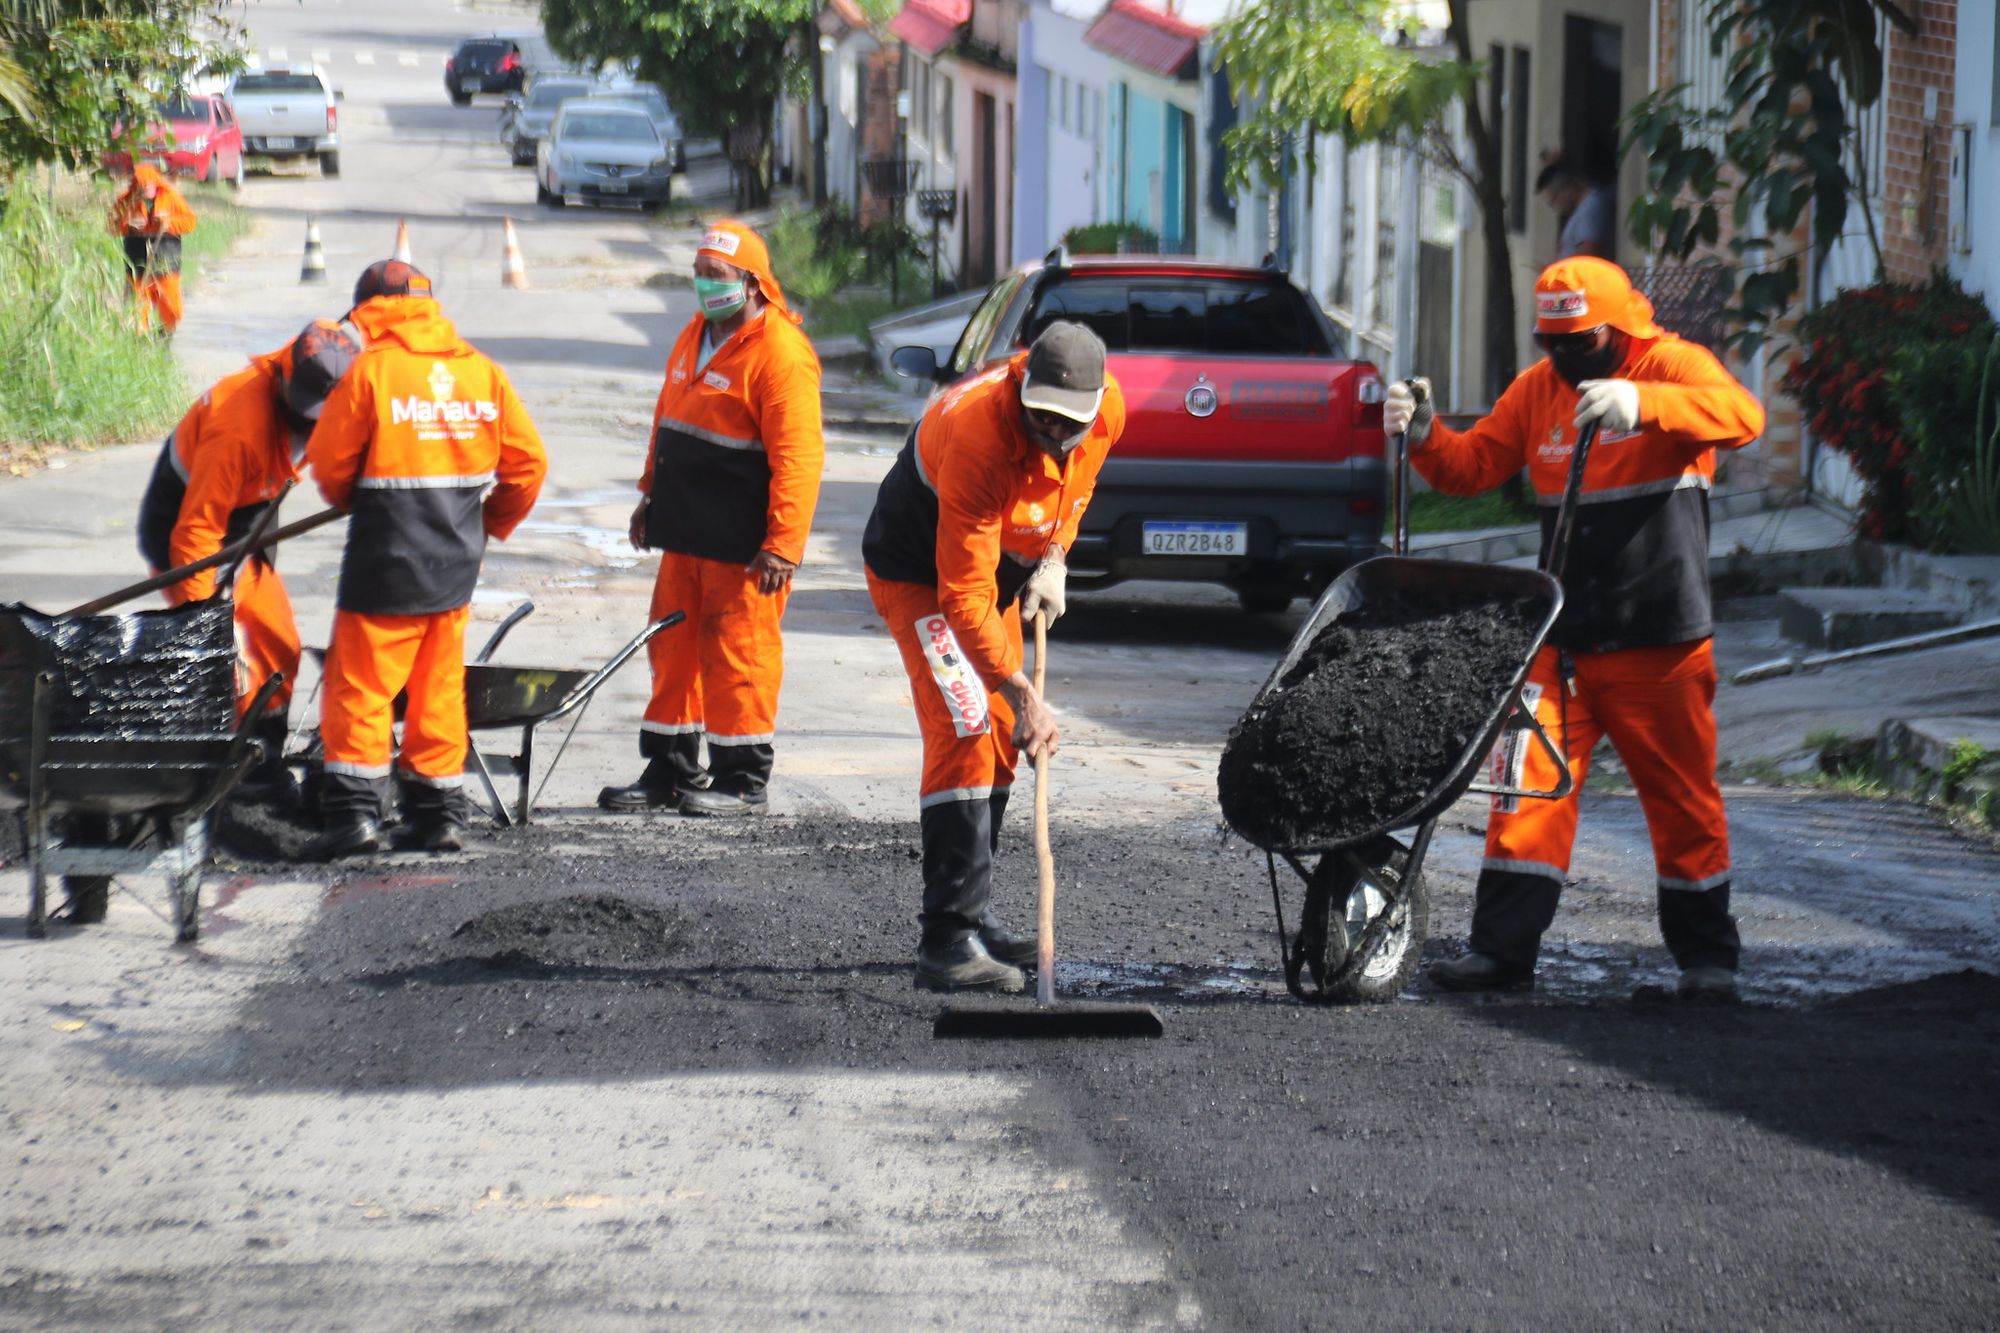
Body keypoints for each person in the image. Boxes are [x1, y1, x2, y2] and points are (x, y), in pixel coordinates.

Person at [1382, 256, 1764, 1001]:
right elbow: (1472, 466)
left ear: (1620, 328)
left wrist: (1645, 403)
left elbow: (1744, 416)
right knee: (1525, 793)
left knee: (1682, 799)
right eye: (1551, 342)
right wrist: (1427, 431)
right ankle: (1500, 952)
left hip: (1662, 642)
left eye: (1580, 341)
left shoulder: (1675, 365)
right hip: (1560, 644)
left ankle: (1707, 960)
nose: (1563, 358)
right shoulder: (1537, 391)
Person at [860, 321, 1125, 992]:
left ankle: (973, 915)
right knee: (968, 719)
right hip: (920, 573)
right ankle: (946, 942)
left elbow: (1079, 485)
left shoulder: (1108, 413)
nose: (1052, 432)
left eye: (1068, 423)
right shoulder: (979, 433)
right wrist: (1020, 692)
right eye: (1041, 416)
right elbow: (963, 596)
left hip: (1001, 572)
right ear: (1022, 386)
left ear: (1095, 408)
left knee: (1002, 740)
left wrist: (1056, 556)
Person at [305, 260, 548, 858]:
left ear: (369, 313)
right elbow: (528, 464)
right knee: (438, 691)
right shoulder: (481, 373)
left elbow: (330, 469)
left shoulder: (372, 372)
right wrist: (490, 524)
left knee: (360, 686)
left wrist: (352, 494)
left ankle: (356, 819)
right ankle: (438, 816)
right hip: (454, 563)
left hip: (385, 558)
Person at [597, 220, 824, 818]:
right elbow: (667, 418)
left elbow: (799, 459)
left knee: (738, 653)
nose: (703, 285)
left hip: (744, 545)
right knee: (673, 648)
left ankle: (742, 780)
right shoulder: (694, 334)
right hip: (687, 533)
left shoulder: (780, 354)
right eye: (698, 273)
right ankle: (669, 769)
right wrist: (649, 495)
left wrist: (783, 545)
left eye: (715, 276)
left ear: (752, 284)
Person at [135, 318, 362, 764]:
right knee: (235, 664)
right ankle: (225, 764)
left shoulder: (340, 391)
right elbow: (196, 531)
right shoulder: (236, 425)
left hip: (250, 523)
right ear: (285, 375)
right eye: (306, 410)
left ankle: (263, 756)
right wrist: (205, 622)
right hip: (188, 532)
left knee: (278, 645)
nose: (311, 424)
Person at [107, 164, 198, 335]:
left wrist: (168, 223)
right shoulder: (125, 199)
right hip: (136, 258)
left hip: (166, 255)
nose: (145, 190)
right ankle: (141, 342)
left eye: (148, 186)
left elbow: (190, 222)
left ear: (156, 183)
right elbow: (111, 226)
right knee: (137, 305)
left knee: (171, 303)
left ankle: (165, 333)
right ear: (135, 185)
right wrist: (128, 226)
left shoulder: (171, 196)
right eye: (141, 187)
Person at [1536, 156, 1615, 260]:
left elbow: (1588, 253)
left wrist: (1560, 268)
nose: (1555, 207)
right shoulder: (1582, 209)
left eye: (1554, 200)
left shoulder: (1591, 208)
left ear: (1567, 189)